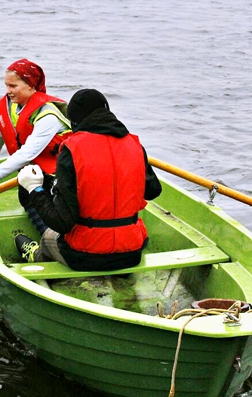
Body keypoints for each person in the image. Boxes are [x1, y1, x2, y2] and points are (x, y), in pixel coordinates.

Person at [14, 88, 162, 271]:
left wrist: (34, 188)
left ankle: (36, 254)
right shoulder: (135, 145)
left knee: (49, 237)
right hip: (132, 253)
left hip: (84, 256)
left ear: (74, 121)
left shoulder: (71, 151)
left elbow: (62, 223)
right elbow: (153, 190)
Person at [0, 58, 72, 233]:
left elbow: (26, 154)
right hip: (31, 175)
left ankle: (50, 242)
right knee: (26, 197)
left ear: (31, 86)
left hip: (59, 178)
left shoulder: (48, 115)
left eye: (13, 86)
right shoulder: (9, 107)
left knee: (54, 217)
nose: (8, 91)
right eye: (6, 86)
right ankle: (44, 239)